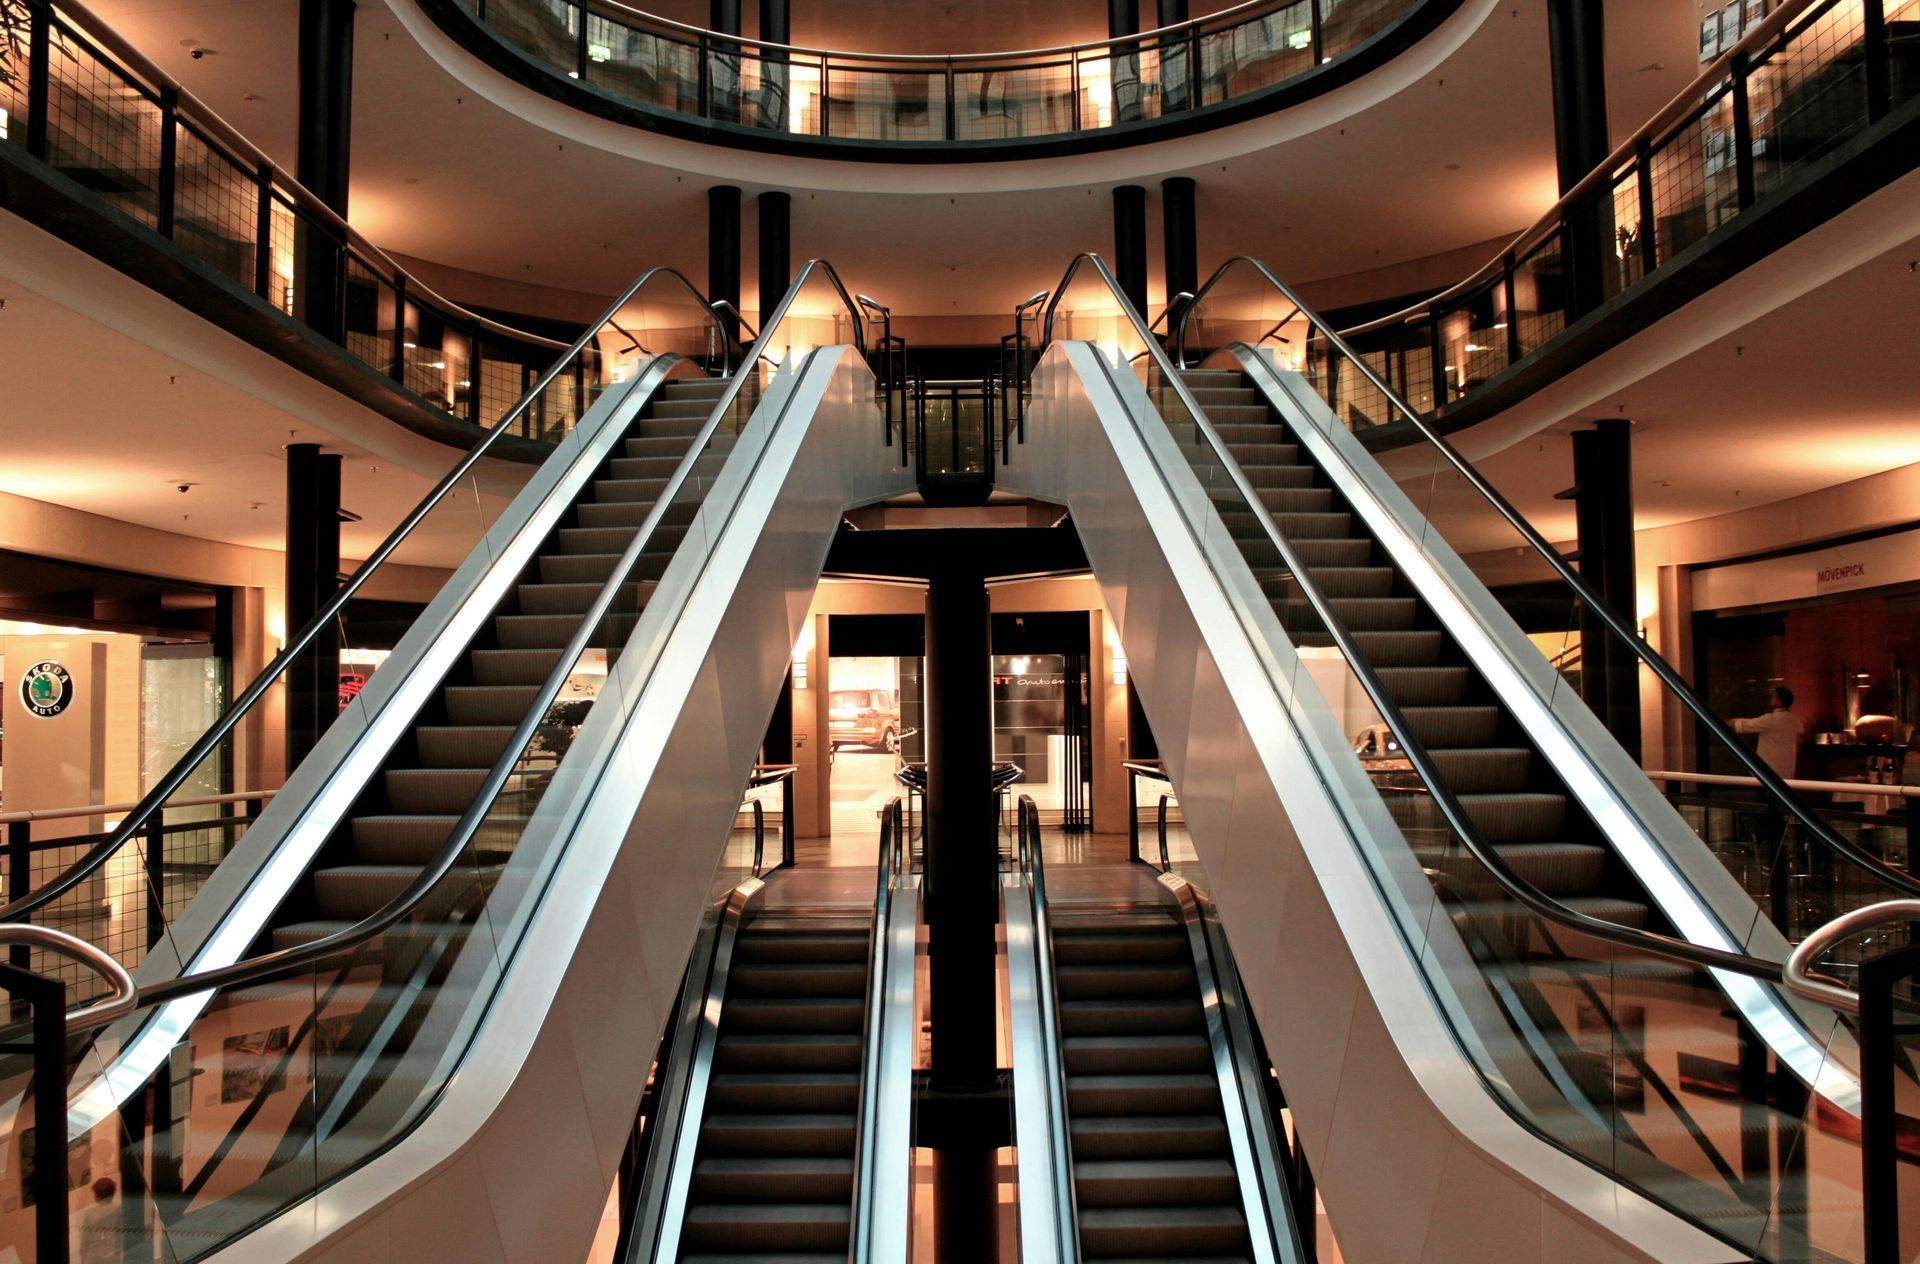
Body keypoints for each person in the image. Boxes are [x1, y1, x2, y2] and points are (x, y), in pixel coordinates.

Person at [1732, 686, 1805, 780]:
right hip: (1787, 768)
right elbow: (1801, 730)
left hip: (1769, 772)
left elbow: (1746, 725)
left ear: (1779, 701)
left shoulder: (1771, 719)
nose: (1771, 698)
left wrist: (1729, 722)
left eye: (1774, 696)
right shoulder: (1794, 720)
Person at [77, 1176, 119, 1264]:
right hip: (113, 1257)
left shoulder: (90, 1214)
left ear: (97, 1195)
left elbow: (85, 1240)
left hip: (94, 1257)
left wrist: (83, 1258)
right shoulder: (119, 1210)